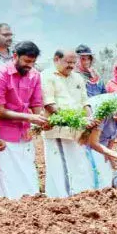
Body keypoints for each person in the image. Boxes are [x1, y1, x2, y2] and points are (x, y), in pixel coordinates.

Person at [0, 41, 47, 200]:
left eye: (33, 62)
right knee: (4, 180)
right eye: (26, 61)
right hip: (4, 137)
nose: (30, 65)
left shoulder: (35, 75)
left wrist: (38, 119)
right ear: (15, 56)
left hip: (24, 134)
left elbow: (36, 103)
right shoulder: (0, 75)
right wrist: (30, 117)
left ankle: (28, 210)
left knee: (27, 174)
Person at [41, 49, 94, 198]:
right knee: (60, 165)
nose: (71, 66)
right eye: (68, 62)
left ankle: (78, 195)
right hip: (58, 130)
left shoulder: (77, 78)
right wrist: (74, 120)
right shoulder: (46, 76)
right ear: (56, 59)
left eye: (73, 62)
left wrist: (90, 120)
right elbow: (49, 104)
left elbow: (85, 102)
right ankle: (63, 199)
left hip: (77, 129)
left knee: (78, 163)